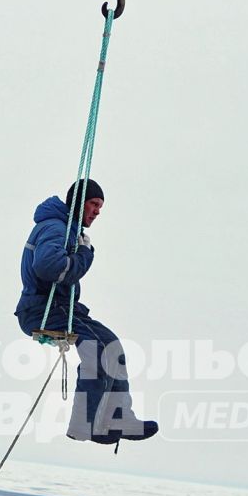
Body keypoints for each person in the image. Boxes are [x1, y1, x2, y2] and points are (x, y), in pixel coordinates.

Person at [15, 179, 158, 444]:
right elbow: (49, 268)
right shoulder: (56, 227)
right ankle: (86, 423)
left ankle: (117, 416)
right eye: (93, 204)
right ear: (79, 203)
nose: (97, 212)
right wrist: (84, 253)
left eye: (100, 207)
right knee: (96, 347)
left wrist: (80, 249)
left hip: (62, 308)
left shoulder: (65, 228)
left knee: (111, 345)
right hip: (41, 310)